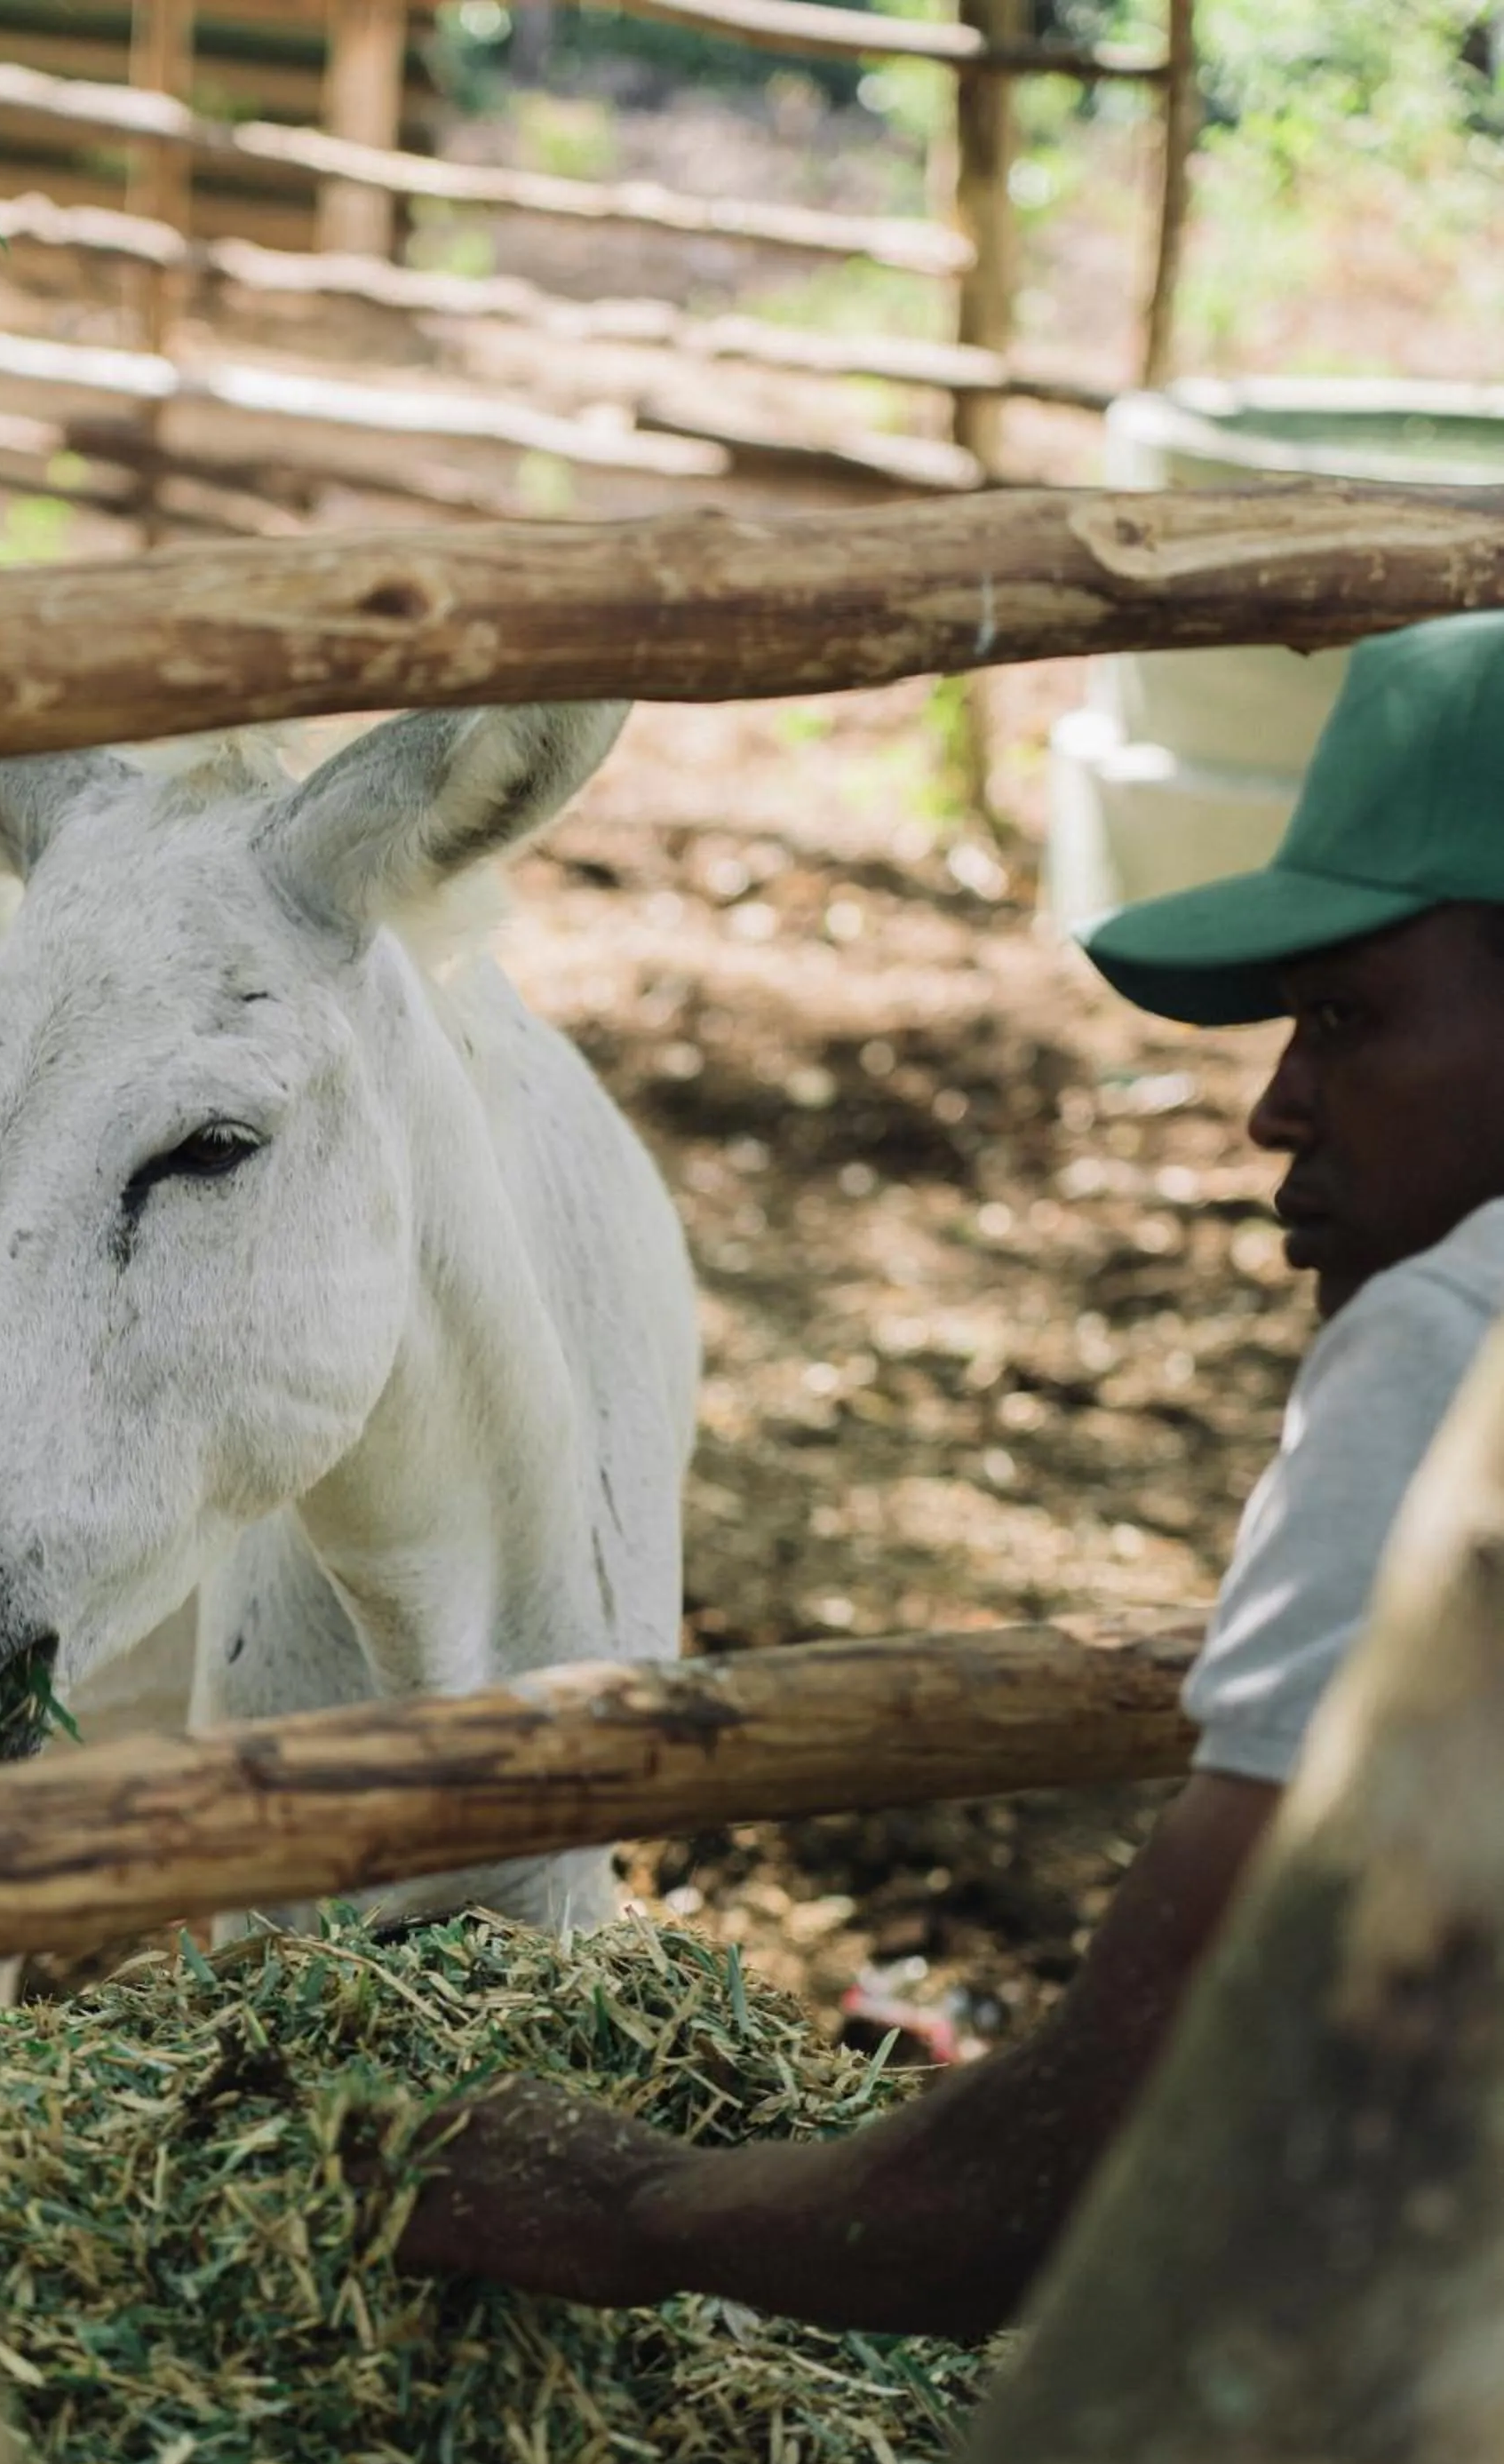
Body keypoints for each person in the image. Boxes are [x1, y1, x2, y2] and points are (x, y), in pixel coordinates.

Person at [390, 606, 1504, 2342]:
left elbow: (1098, 2150)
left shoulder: (1454, 1347)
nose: (1275, 1109)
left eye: (1351, 1017)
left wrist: (636, 2207)